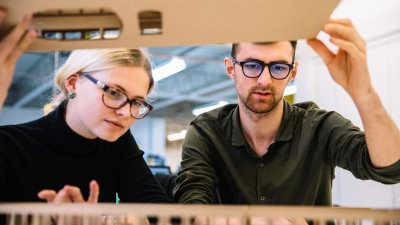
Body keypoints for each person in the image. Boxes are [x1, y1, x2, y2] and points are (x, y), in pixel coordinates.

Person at [174, 18, 400, 205]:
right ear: (231, 68)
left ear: (293, 72)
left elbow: (391, 169)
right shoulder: (206, 133)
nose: (265, 80)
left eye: (278, 67)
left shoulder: (320, 127)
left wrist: (364, 93)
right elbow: (191, 204)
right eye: (252, 65)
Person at [0, 9, 170, 203]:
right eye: (113, 92)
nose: (124, 112)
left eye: (137, 102)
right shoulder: (9, 145)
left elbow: (156, 207)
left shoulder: (117, 144)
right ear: (73, 83)